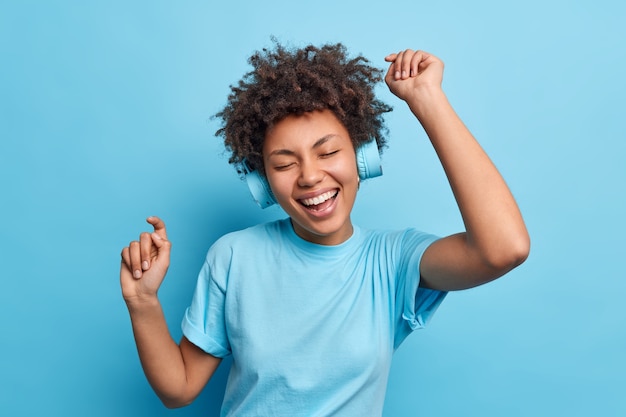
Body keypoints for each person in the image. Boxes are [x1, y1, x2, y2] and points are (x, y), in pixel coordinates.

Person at [120, 42, 530, 416]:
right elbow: (179, 389)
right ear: (261, 182)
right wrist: (143, 302)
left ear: (362, 157)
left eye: (329, 151)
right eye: (284, 164)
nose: (310, 176)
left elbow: (504, 248)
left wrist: (428, 100)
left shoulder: (392, 261)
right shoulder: (233, 256)